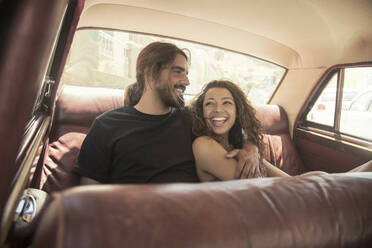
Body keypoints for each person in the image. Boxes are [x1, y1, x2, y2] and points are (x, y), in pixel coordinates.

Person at [74, 42, 262, 185]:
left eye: (186, 73)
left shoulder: (190, 118)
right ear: (150, 74)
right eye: (178, 72)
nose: (186, 81)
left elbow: (230, 127)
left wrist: (250, 149)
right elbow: (88, 194)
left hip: (192, 219)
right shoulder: (106, 124)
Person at [190, 80, 372, 181]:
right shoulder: (203, 145)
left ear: (238, 112)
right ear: (201, 111)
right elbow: (255, 190)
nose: (217, 110)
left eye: (227, 103)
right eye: (209, 104)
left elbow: (286, 180)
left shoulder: (239, 145)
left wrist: (251, 146)